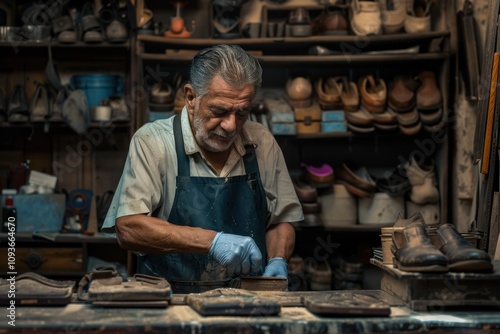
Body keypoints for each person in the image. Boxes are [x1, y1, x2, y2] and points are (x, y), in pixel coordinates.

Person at [102, 44, 304, 293]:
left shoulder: (261, 142)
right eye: (219, 111)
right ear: (191, 98)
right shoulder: (153, 142)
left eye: (242, 113)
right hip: (171, 302)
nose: (231, 126)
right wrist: (212, 241)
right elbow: (129, 228)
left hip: (248, 300)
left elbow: (281, 220)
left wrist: (277, 259)